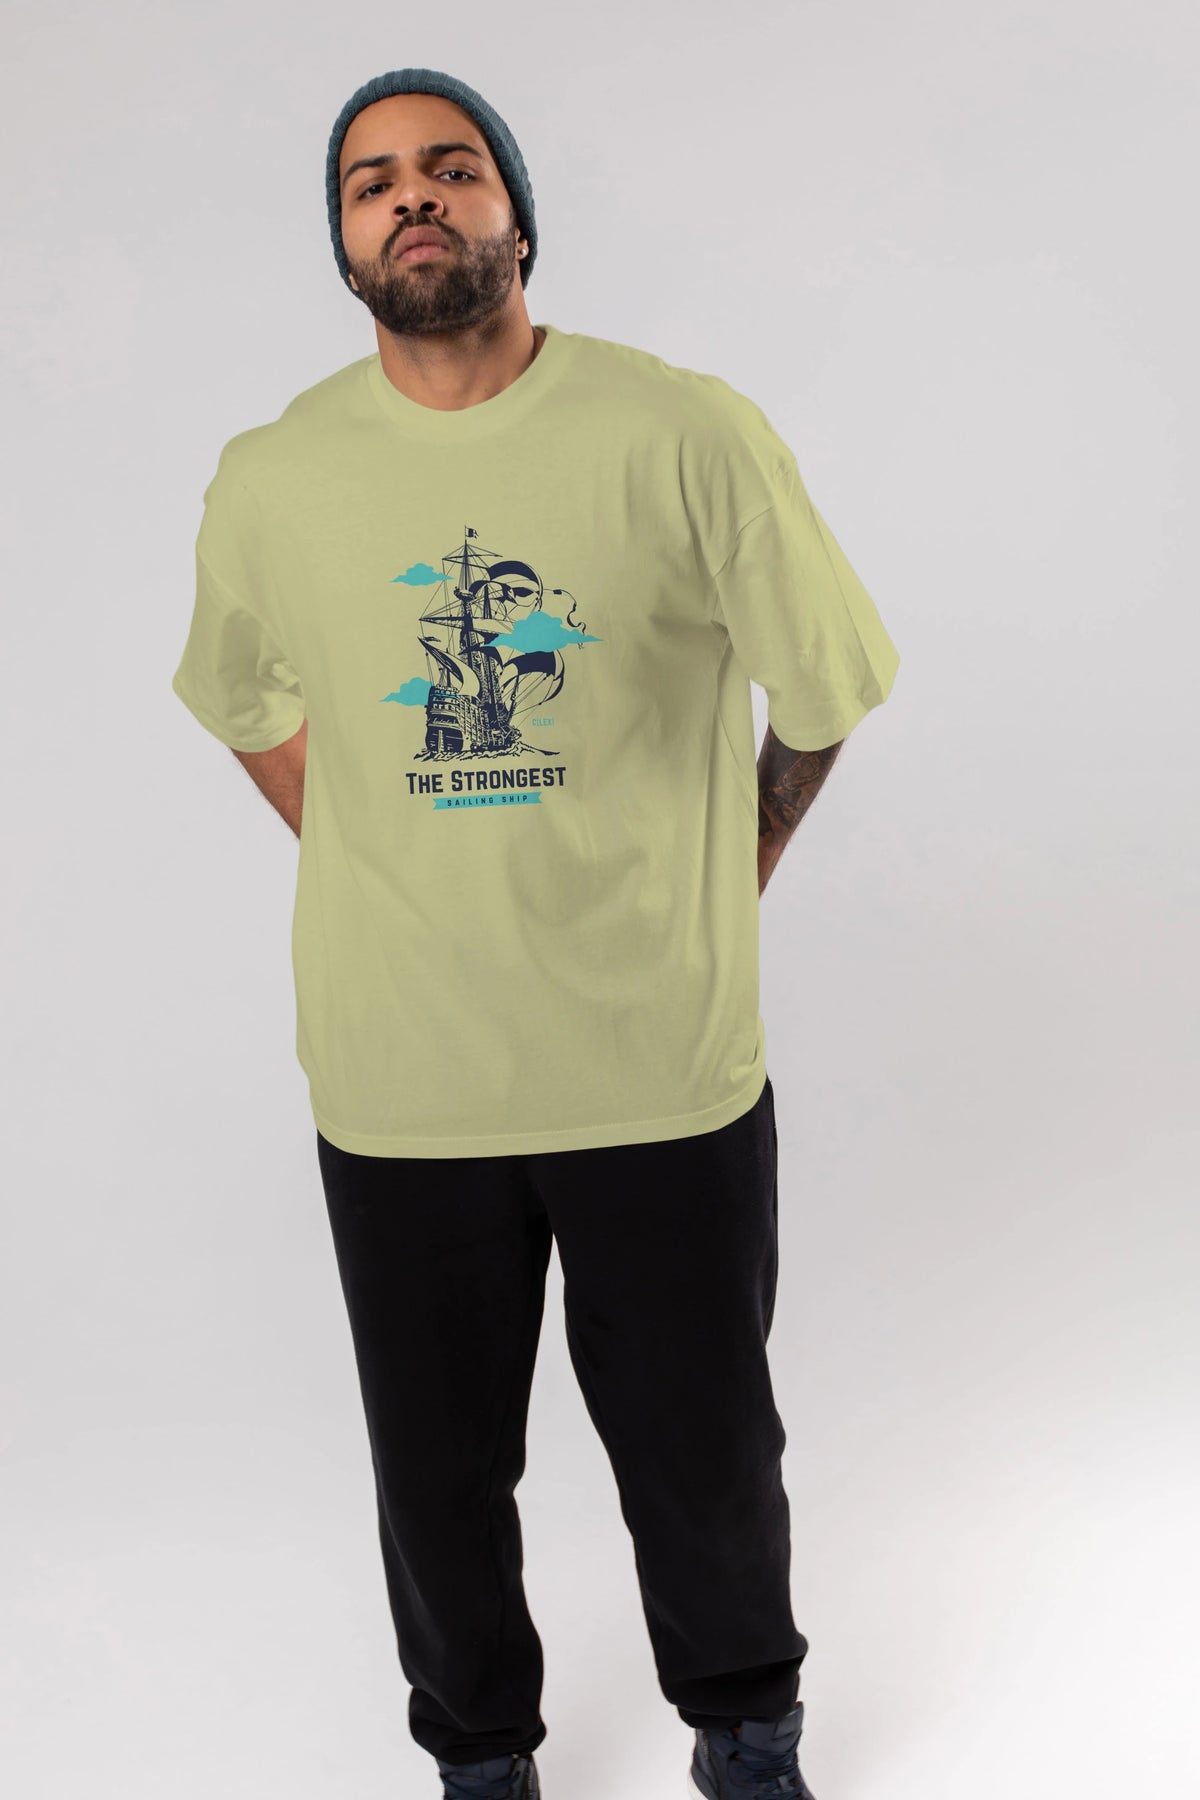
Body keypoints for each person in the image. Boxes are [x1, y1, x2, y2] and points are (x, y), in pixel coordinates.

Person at [170, 65, 900, 1800]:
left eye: (452, 167)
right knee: (435, 1474)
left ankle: (747, 1732)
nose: (413, 197)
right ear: (344, 242)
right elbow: (242, 697)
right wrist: (374, 846)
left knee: (704, 1447)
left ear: (517, 214)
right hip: (403, 1079)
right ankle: (481, 1760)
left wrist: (740, 859)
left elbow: (824, 685)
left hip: (658, 1061)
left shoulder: (683, 433)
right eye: (372, 183)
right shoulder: (274, 476)